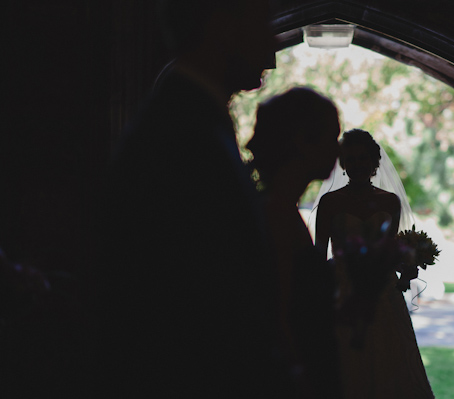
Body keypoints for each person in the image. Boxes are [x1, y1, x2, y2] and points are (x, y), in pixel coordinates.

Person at [91, 1, 288, 397]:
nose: (273, 50)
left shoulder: (195, 121)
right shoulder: (180, 137)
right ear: (220, 24)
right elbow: (194, 307)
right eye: (262, 22)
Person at [315, 129, 435, 398]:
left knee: (390, 359)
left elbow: (388, 249)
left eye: (363, 158)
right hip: (343, 288)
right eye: (351, 159)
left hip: (382, 292)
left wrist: (408, 267)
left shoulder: (389, 201)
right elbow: (317, 254)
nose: (357, 164)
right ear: (343, 164)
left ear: (374, 162)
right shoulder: (330, 202)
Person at [246, 87, 343, 398]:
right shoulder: (275, 215)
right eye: (332, 137)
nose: (337, 149)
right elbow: (279, 321)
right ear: (303, 140)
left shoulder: (283, 210)